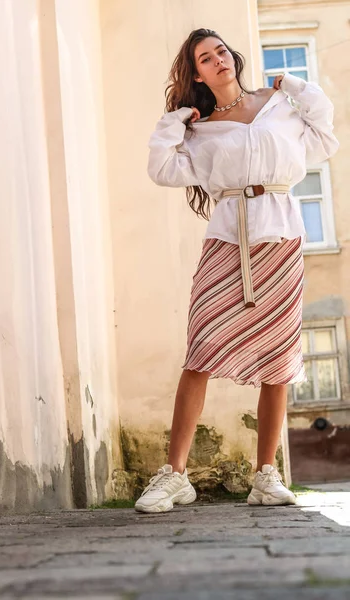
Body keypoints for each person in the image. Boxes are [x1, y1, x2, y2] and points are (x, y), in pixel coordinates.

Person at [134, 28, 339, 513]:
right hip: (227, 241)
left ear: (233, 57)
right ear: (198, 74)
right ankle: (175, 476)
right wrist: (178, 119)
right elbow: (162, 168)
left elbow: (324, 134)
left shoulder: (279, 108)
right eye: (205, 59)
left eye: (221, 51)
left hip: (281, 239)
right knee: (201, 350)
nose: (218, 60)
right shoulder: (200, 129)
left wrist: (289, 83)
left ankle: (266, 476)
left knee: (278, 358)